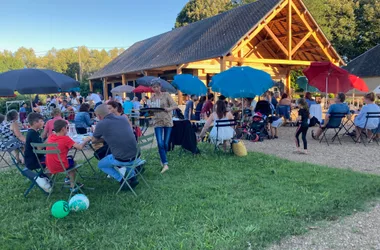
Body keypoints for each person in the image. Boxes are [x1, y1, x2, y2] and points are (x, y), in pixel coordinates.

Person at [92, 104, 142, 190]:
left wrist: (103, 138)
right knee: (123, 152)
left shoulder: (101, 124)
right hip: (136, 156)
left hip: (123, 159)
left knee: (101, 164)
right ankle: (132, 177)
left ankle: (122, 180)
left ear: (99, 116)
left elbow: (94, 140)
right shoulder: (123, 118)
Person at [46, 120, 91, 192]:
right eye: (67, 128)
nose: (67, 130)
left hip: (50, 165)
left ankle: (68, 179)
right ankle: (72, 185)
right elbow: (79, 147)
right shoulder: (66, 139)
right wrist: (86, 140)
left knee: (70, 158)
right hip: (60, 165)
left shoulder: (51, 137)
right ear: (63, 129)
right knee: (73, 163)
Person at [151, 81, 178, 173]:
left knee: (166, 143)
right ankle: (165, 163)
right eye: (154, 87)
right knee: (159, 142)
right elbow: (152, 110)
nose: (155, 89)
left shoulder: (166, 95)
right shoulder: (152, 98)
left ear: (160, 87)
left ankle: (163, 158)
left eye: (157, 87)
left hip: (167, 121)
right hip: (157, 121)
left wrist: (169, 109)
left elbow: (175, 105)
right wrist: (150, 109)